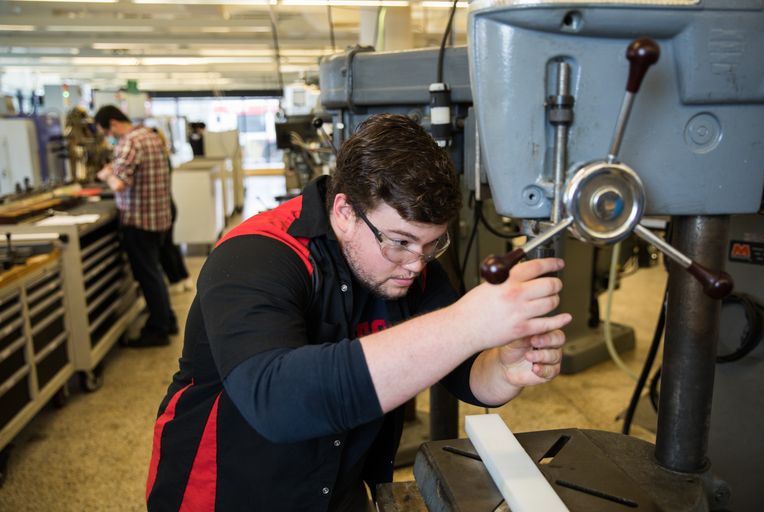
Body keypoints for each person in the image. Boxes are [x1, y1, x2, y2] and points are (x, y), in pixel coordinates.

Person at [146, 114, 571, 511]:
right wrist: (467, 323)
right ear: (345, 212)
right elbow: (275, 399)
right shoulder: (255, 256)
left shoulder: (410, 266)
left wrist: (503, 368)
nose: (417, 264)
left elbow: (463, 371)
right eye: (400, 241)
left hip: (340, 491)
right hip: (227, 492)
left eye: (432, 244)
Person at [95, 105, 177, 347]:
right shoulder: (150, 136)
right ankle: (167, 319)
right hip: (158, 217)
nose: (106, 137)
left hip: (139, 221)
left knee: (148, 275)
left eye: (103, 132)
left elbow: (119, 184)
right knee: (155, 273)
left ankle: (157, 330)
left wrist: (106, 175)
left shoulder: (129, 142)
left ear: (112, 124)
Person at [150, 127, 193, 295]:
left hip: (163, 207)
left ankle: (177, 279)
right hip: (168, 205)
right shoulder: (164, 156)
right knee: (170, 245)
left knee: (166, 247)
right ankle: (183, 277)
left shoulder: (158, 157)